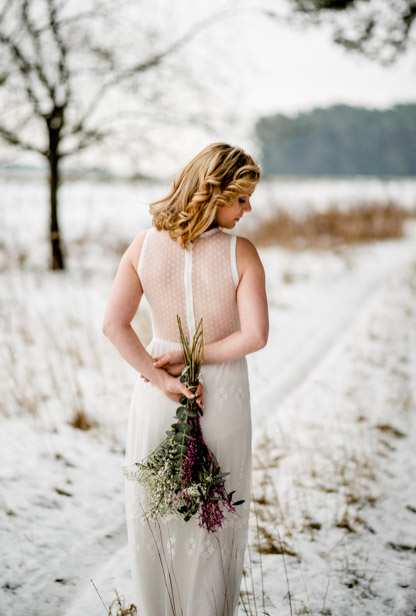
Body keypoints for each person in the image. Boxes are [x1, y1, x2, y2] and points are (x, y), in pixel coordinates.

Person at [103, 143, 268, 615]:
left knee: (155, 522)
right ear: (215, 194)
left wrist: (163, 380)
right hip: (224, 393)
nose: (248, 208)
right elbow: (255, 336)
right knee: (218, 523)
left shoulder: (143, 246)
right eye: (241, 199)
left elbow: (113, 325)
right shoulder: (243, 253)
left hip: (157, 392)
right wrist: (193, 355)